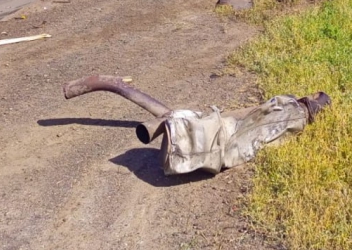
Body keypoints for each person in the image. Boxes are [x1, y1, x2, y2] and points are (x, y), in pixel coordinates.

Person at [63, 74, 331, 175]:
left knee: (221, 131)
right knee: (220, 127)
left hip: (209, 141)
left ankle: (184, 134)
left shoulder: (292, 114)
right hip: (205, 137)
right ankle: (183, 132)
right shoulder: (289, 111)